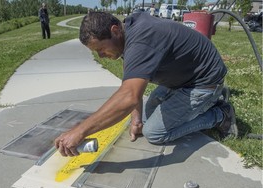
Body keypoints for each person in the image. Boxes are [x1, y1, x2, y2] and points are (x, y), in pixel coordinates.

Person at [54, 12, 238, 157]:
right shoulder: (127, 35)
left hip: (203, 82)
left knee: (154, 134)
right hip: (182, 78)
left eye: (101, 49)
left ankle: (219, 114)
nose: (101, 56)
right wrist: (136, 120)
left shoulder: (142, 39)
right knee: (146, 119)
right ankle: (207, 103)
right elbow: (130, 84)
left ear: (115, 30)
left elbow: (129, 96)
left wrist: (80, 131)